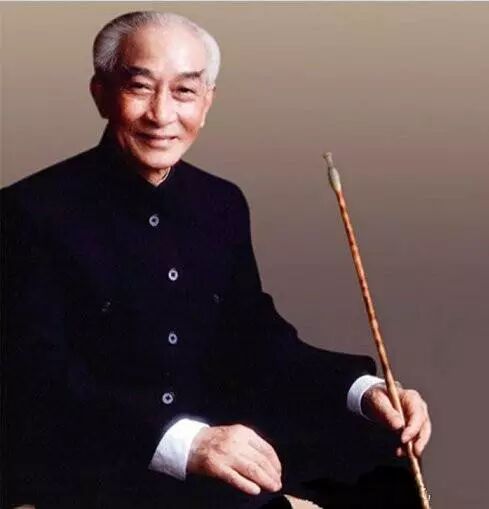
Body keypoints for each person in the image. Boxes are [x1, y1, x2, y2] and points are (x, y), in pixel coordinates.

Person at [1, 11, 431, 509]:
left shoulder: (221, 203)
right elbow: (36, 379)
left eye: (184, 92)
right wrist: (189, 444)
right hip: (99, 454)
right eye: (140, 87)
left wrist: (365, 390)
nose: (161, 114)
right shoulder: (27, 211)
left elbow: (257, 339)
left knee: (386, 463)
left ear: (207, 103)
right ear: (101, 94)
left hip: (215, 434)